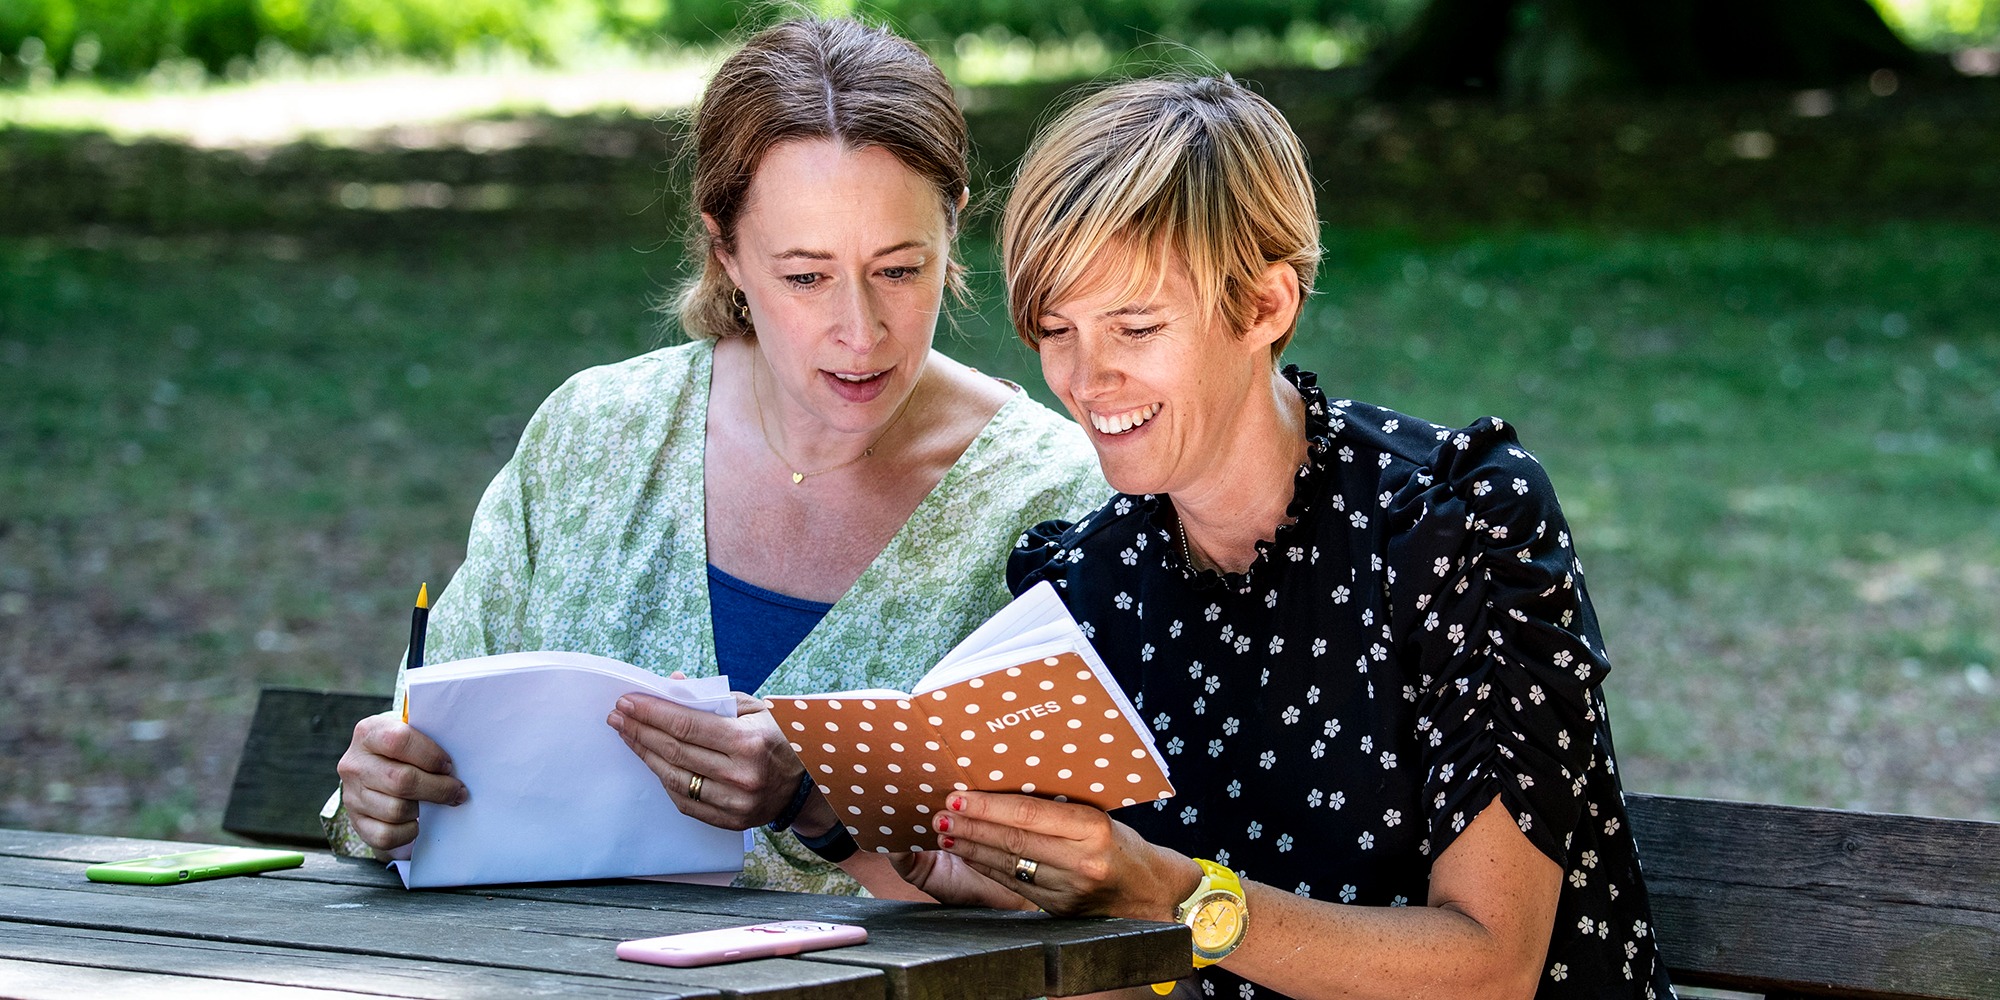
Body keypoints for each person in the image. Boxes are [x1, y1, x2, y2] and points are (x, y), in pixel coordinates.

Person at [892, 76, 1676, 999]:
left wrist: (1176, 893)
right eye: (1055, 329)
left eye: (1135, 327)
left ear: (1266, 306)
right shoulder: (1092, 584)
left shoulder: (1453, 529)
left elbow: (1492, 963)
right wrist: (944, 856)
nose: (1085, 377)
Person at [325, 17, 1105, 898]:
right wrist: (382, 791)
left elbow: (1081, 895)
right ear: (726, 249)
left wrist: (814, 797)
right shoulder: (595, 436)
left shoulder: (1057, 499)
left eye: (898, 269)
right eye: (805, 276)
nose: (860, 330)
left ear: (953, 228)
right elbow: (418, 748)